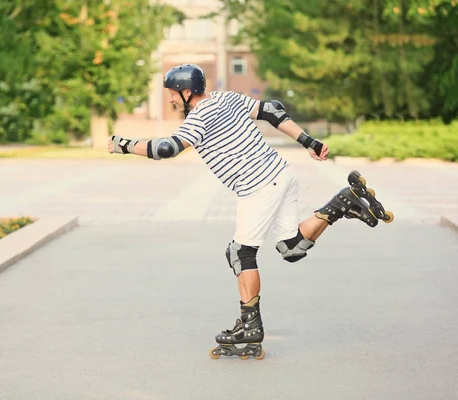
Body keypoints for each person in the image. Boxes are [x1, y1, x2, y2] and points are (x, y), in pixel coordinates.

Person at [108, 64, 392, 359]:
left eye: (171, 94)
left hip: (257, 186)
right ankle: (341, 203)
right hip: (281, 173)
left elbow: (166, 149)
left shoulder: (199, 118)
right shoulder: (226, 97)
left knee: (240, 253)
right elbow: (272, 109)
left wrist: (124, 145)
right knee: (291, 247)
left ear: (187, 91)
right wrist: (309, 141)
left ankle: (250, 326)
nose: (170, 100)